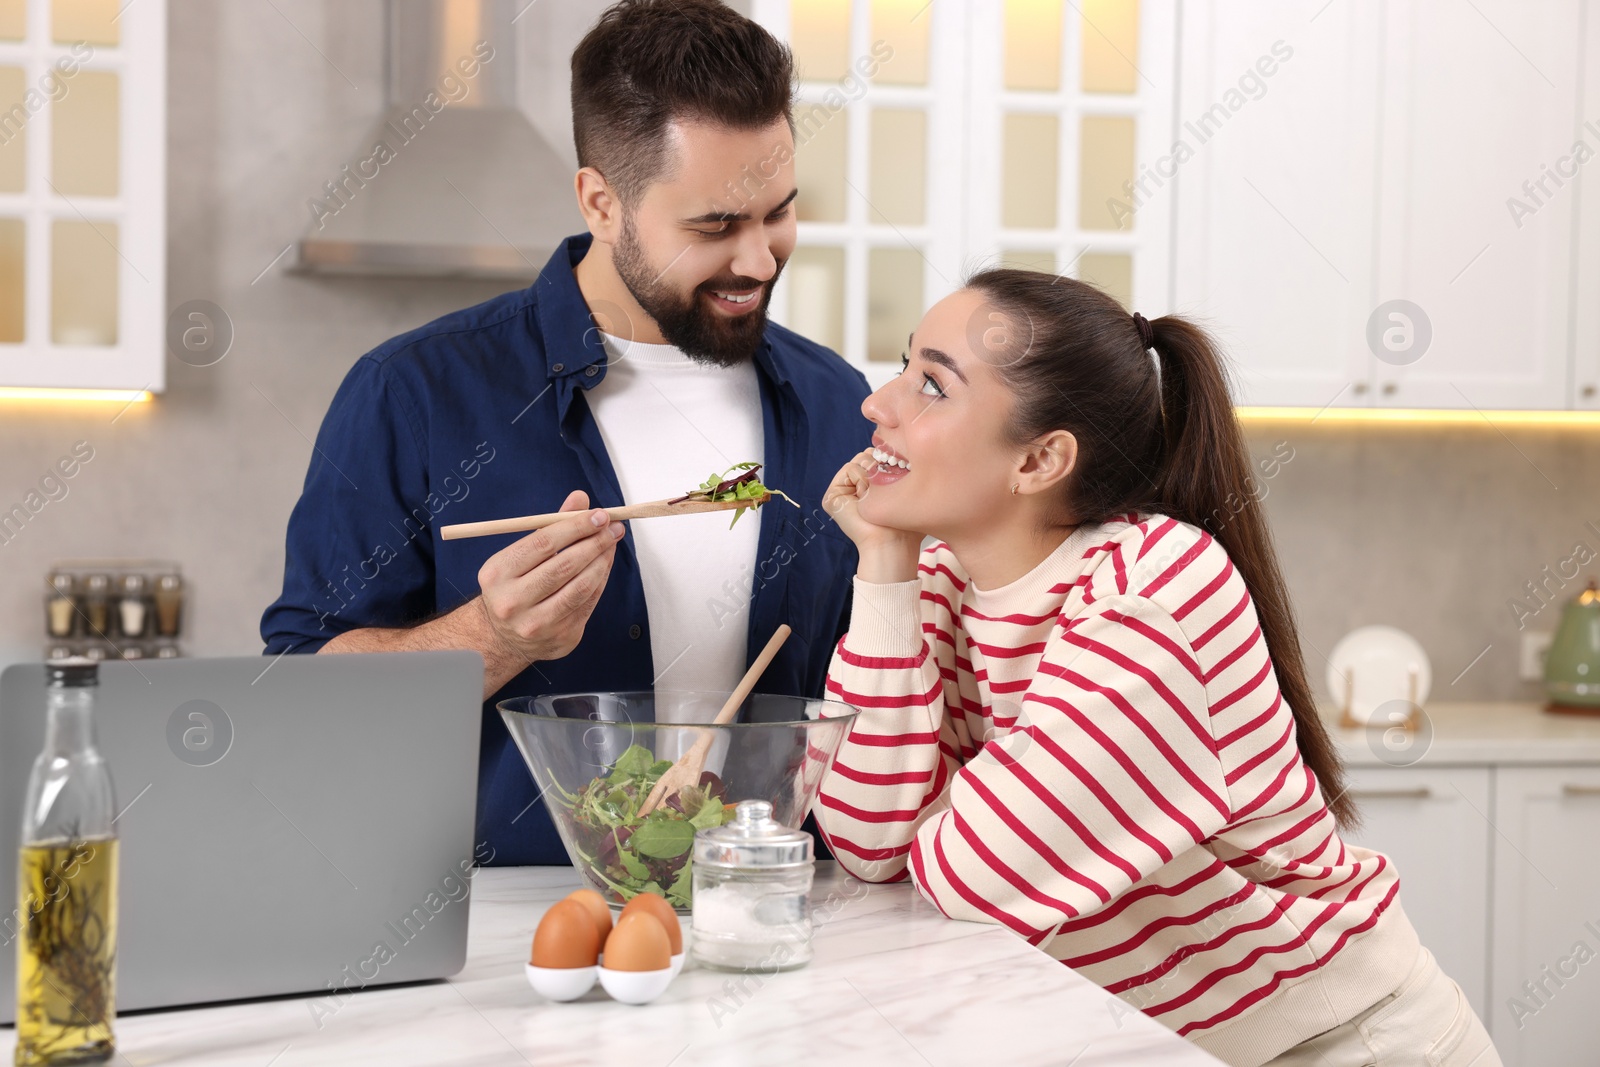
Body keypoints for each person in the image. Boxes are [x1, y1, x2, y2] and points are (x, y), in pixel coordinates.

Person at [813, 270, 1501, 1067]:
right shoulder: (934, 579)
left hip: (1350, 1045)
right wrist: (884, 564)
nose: (877, 404)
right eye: (904, 366)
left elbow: (972, 876)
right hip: (1189, 1045)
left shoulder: (1155, 591)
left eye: (931, 385)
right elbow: (866, 841)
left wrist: (935, 809)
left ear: (1039, 459)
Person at [261, 0, 871, 865]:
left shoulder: (837, 400)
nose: (760, 259)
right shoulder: (414, 392)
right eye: (714, 226)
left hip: (768, 916)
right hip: (509, 937)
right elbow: (300, 695)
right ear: (601, 202)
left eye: (778, 211)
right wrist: (491, 637)